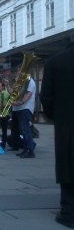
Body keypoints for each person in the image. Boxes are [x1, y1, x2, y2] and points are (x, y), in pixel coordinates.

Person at [40, 35, 74, 228]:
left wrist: (56, 116)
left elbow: (46, 97)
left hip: (67, 124)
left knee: (68, 165)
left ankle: (69, 213)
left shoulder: (55, 62)